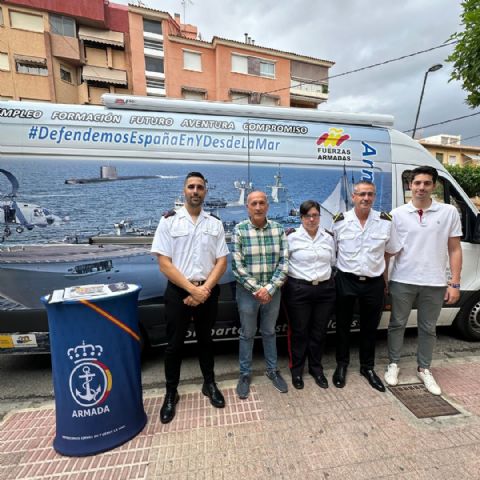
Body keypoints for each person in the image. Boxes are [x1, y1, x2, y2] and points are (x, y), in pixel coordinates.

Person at [151, 171, 229, 423]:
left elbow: (222, 261)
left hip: (206, 291)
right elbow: (164, 263)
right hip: (178, 292)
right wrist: (191, 289)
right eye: (191, 187)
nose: (195, 191)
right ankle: (171, 393)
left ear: (206, 191)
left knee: (206, 341)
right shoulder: (169, 222)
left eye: (200, 187)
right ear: (184, 190)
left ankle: (209, 384)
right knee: (174, 346)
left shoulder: (214, 223)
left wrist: (203, 289)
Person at [385, 166, 462, 395]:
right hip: (402, 279)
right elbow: (390, 250)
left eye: (426, 183)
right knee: (397, 324)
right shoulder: (397, 214)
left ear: (434, 186)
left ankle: (424, 368)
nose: (421, 187)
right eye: (417, 183)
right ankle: (393, 364)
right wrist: (385, 279)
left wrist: (454, 283)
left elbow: (455, 249)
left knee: (428, 328)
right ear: (410, 185)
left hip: (435, 282)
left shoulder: (448, 212)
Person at [332, 180, 400, 392]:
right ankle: (341, 365)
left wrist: (383, 276)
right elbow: (334, 251)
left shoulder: (385, 221)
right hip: (346, 280)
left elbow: (390, 250)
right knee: (342, 326)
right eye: (361, 194)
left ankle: (367, 368)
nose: (365, 198)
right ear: (353, 197)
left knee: (369, 328)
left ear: (374, 196)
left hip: (373, 283)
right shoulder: (340, 221)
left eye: (370, 194)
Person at [232, 190, 289, 399]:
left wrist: (270, 289)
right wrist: (257, 289)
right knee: (247, 334)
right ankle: (245, 374)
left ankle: (272, 370)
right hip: (248, 293)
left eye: (262, 203)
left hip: (272, 292)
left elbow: (284, 263)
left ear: (268, 206)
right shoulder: (239, 230)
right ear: (247, 207)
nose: (258, 207)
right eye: (253, 203)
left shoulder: (278, 230)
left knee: (269, 331)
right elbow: (237, 266)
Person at [283, 200, 336, 390]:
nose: (312, 219)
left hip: (324, 290)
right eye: (307, 216)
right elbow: (284, 264)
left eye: (315, 215)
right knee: (299, 332)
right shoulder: (290, 237)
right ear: (301, 218)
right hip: (299, 290)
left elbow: (332, 261)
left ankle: (316, 368)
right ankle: (297, 370)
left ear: (320, 217)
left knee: (319, 332)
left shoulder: (328, 237)